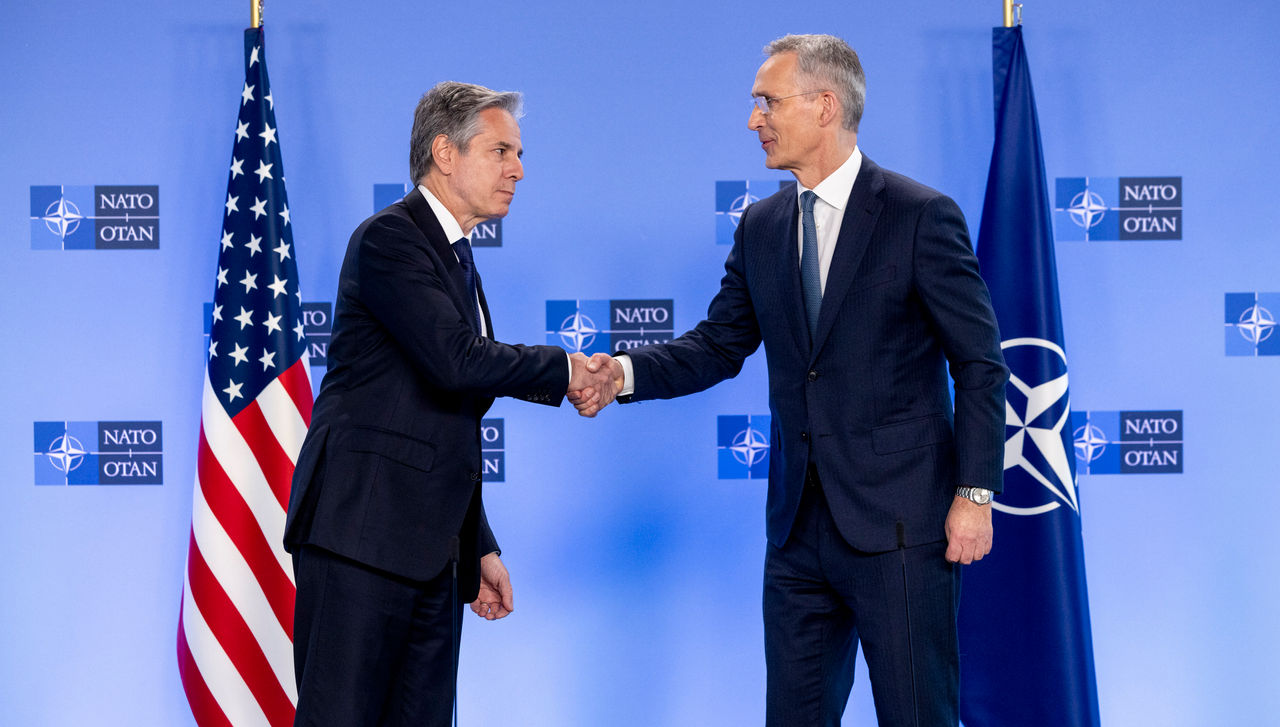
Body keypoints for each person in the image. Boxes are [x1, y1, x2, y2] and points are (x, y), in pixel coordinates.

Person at [571, 35, 1008, 726]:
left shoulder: (920, 215)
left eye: (768, 101)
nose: (755, 119)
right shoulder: (763, 225)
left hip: (902, 529)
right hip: (797, 536)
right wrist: (620, 373)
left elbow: (980, 363)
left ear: (826, 105)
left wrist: (975, 492)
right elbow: (718, 344)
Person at [284, 81, 614, 727]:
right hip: (361, 536)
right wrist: (566, 366)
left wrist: (479, 544)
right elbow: (454, 360)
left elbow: (442, 418)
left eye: (517, 154)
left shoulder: (459, 260)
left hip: (431, 550)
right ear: (444, 151)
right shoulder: (390, 239)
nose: (518, 169)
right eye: (501, 150)